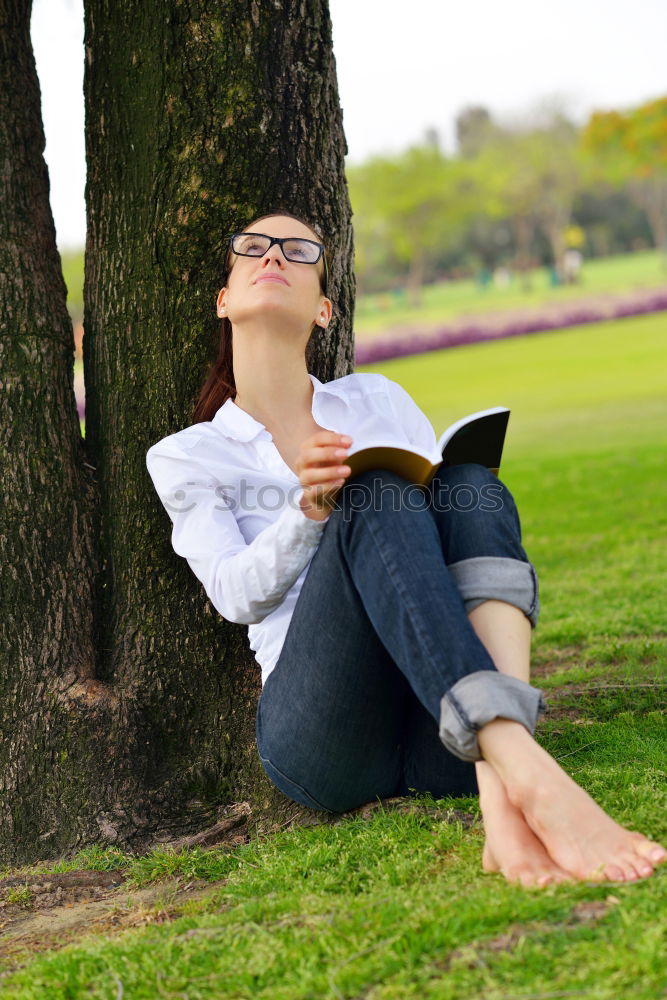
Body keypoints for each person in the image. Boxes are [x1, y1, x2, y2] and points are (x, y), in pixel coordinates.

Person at [146, 210, 667, 889]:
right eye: (254, 247)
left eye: (299, 251)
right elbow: (235, 596)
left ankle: (501, 796)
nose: (274, 256)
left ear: (325, 309)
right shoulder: (188, 454)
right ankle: (532, 779)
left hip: (439, 730)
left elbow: (438, 541)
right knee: (374, 494)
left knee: (470, 484)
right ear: (224, 298)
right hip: (324, 737)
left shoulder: (376, 401)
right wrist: (310, 513)